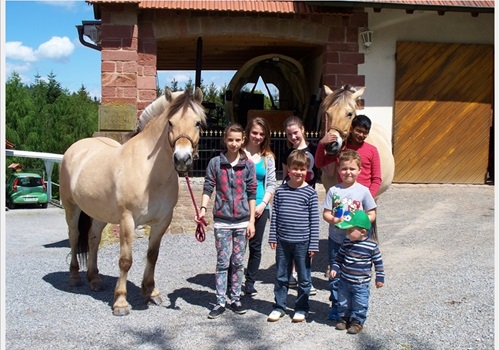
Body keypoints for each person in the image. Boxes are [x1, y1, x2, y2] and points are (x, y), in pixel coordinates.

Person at [195, 123, 257, 319]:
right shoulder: (215, 163)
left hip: (241, 221)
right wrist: (203, 209)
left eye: (238, 140)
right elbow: (208, 187)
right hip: (222, 221)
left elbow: (252, 193)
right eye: (230, 139)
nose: (234, 143)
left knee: (238, 262)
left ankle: (235, 298)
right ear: (225, 139)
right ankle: (220, 301)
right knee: (223, 262)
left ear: (243, 140)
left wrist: (252, 221)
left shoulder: (248, 165)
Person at [322, 149, 377, 322]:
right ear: (338, 170)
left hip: (357, 243)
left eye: (352, 169)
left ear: (359, 170)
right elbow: (326, 213)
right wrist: (333, 219)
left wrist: (360, 222)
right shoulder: (333, 191)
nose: (348, 172)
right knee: (335, 273)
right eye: (344, 168)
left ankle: (355, 308)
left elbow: (372, 214)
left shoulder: (363, 191)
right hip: (337, 239)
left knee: (355, 274)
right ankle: (337, 306)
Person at [267, 149, 320, 323]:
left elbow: (314, 221)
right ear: (288, 169)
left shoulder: (310, 193)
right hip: (283, 242)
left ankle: (301, 307)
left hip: (303, 243)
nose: (298, 172)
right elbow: (275, 216)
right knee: (281, 275)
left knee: (304, 278)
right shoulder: (280, 191)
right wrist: (273, 236)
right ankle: (279, 306)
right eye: (295, 168)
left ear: (307, 171)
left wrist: (313, 244)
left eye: (302, 169)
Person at [281, 116, 319, 294]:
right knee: (292, 238)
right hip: (291, 198)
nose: (293, 137)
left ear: (302, 130)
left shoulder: (314, 148)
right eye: (289, 134)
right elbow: (283, 177)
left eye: (295, 132)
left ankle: (306, 277)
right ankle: (293, 275)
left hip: (307, 198)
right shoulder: (286, 153)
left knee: (306, 239)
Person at [330, 210, 384, 334]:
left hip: (361, 284)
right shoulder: (347, 243)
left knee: (360, 302)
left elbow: (378, 263)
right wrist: (335, 268)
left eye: (350, 230)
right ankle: (343, 318)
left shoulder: (371, 246)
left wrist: (379, 278)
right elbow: (339, 258)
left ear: (363, 232)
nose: (347, 233)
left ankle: (357, 321)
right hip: (345, 281)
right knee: (343, 301)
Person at [241, 117, 276, 297]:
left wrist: (263, 205)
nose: (258, 137)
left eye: (262, 134)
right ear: (248, 132)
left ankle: (250, 282)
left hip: (261, 207)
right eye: (255, 132)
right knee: (237, 247)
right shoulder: (239, 153)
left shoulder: (267, 157)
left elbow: (271, 184)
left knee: (255, 247)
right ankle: (234, 279)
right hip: (240, 206)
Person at [315, 114, 381, 199]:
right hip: (343, 197)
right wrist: (321, 144)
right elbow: (319, 164)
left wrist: (368, 198)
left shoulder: (372, 150)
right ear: (351, 129)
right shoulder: (341, 148)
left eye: (365, 133)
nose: (361, 135)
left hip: (363, 197)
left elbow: (377, 179)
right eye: (358, 131)